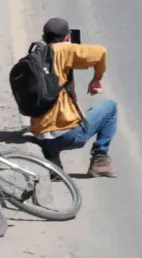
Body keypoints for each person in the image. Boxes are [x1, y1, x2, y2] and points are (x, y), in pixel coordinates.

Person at [30, 17, 118, 178]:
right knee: (110, 107)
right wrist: (97, 78)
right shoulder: (64, 50)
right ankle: (100, 160)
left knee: (48, 121)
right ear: (67, 37)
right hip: (67, 136)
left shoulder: (35, 56)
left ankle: (55, 168)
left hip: (39, 135)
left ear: (44, 38)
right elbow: (101, 52)